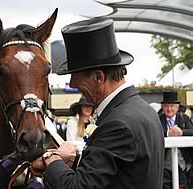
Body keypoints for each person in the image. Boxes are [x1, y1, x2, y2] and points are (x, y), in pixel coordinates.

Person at [32, 18, 164, 189]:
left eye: (75, 76)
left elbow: (76, 187)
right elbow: (117, 169)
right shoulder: (142, 110)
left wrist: (52, 159)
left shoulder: (118, 124)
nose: (72, 84)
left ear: (98, 77)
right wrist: (74, 160)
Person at [159, 90, 193, 189]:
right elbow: (153, 134)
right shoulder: (157, 119)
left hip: (182, 165)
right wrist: (168, 133)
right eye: (166, 106)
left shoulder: (184, 118)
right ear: (162, 107)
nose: (169, 109)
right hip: (164, 165)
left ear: (177, 108)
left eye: (172, 106)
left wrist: (182, 132)